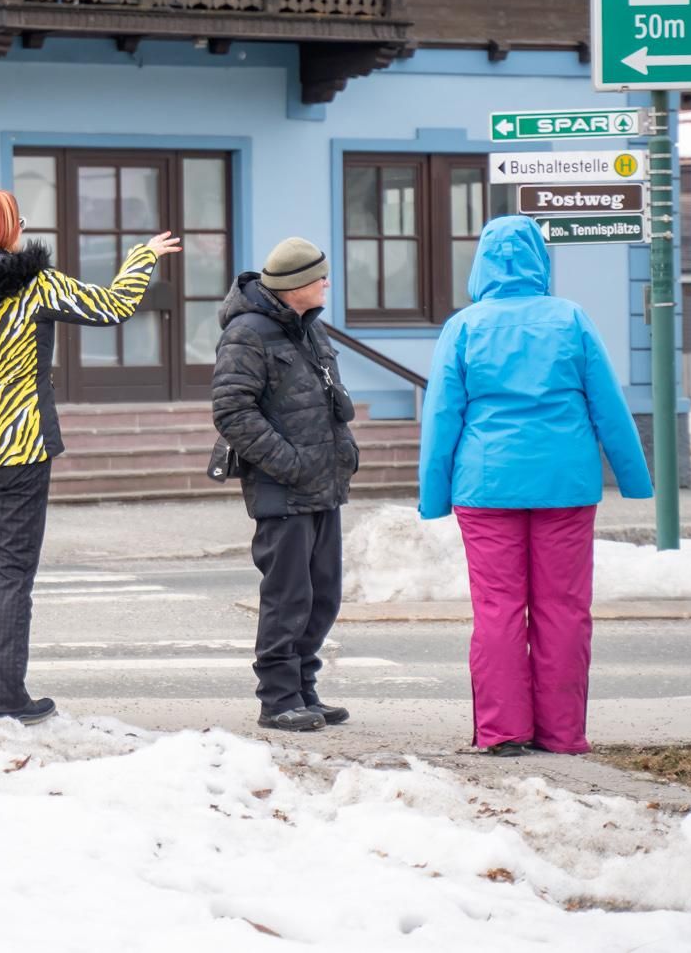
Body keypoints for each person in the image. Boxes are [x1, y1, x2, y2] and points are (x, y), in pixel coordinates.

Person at [0, 190, 179, 725]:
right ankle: (6, 696)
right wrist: (143, 257)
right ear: (4, 228)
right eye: (18, 220)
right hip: (20, 445)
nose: (24, 227)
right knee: (13, 572)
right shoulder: (36, 284)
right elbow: (114, 305)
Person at [418, 215, 652, 757]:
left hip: (486, 483)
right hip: (565, 482)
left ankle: (503, 731)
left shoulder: (465, 327)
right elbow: (608, 404)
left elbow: (442, 415)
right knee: (564, 608)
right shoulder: (570, 319)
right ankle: (562, 733)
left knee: (497, 608)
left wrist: (434, 495)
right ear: (539, 261)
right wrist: (634, 477)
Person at [210, 237, 360, 734]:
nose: (327, 284)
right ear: (296, 285)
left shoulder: (309, 328)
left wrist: (343, 452)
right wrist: (289, 463)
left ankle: (303, 689)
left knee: (323, 596)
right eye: (320, 277)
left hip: (323, 483)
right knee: (288, 596)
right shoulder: (247, 333)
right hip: (284, 488)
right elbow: (232, 411)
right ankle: (277, 699)